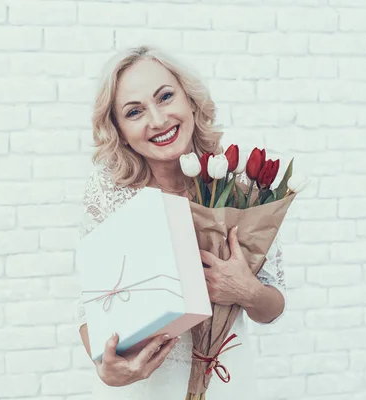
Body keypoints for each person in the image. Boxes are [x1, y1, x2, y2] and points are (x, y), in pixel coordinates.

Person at [76, 45, 287, 399]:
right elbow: (90, 309)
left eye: (166, 96)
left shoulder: (240, 188)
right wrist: (107, 367)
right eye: (134, 111)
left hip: (225, 382)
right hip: (147, 387)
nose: (157, 120)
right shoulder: (109, 195)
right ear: (119, 130)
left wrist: (245, 290)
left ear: (190, 99)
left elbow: (273, 307)